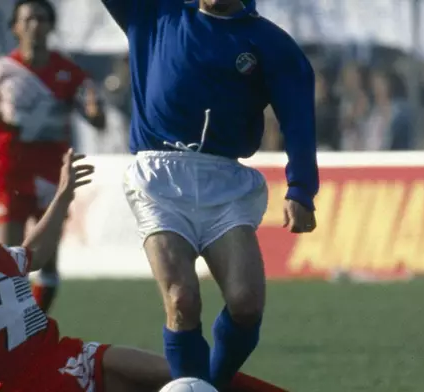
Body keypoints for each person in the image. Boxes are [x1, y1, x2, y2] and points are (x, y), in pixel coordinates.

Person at [0, 153, 287, 392]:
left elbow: (34, 251)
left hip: (72, 356)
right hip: (30, 389)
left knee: (194, 380)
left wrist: (64, 194)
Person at [102, 0, 319, 389]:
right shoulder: (153, 13)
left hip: (226, 183)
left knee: (246, 304)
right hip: (159, 178)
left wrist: (301, 186)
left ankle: (209, 386)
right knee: (182, 300)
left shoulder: (270, 43)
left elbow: (299, 118)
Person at [0, 0, 106, 313]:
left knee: (46, 260)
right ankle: (9, 328)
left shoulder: (69, 72)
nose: (35, 25)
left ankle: (33, 324)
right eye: (28, 18)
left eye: (42, 18)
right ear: (15, 27)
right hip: (11, 168)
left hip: (51, 171)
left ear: (51, 25)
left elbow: (96, 118)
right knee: (10, 257)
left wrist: (94, 111)